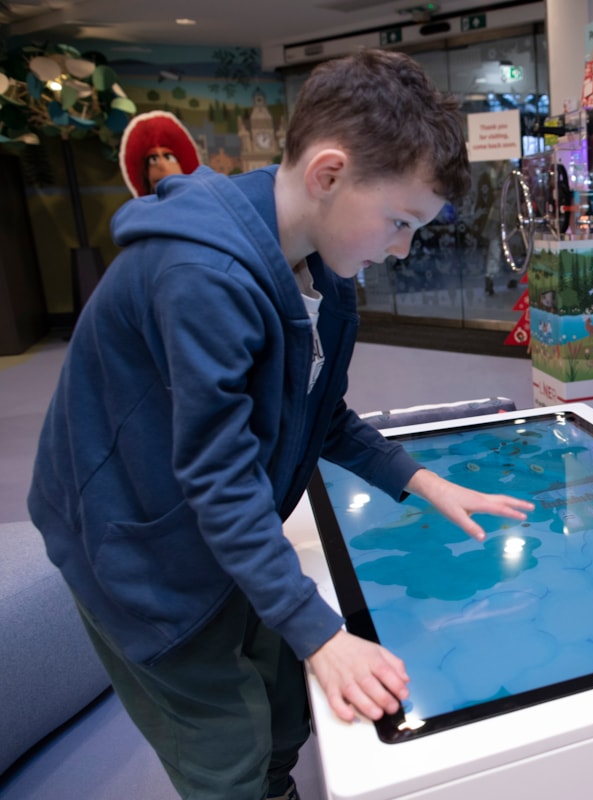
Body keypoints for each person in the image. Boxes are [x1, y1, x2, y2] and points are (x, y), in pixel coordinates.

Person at [28, 49, 535, 800]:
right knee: (225, 747)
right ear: (328, 175)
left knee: (281, 710)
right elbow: (217, 478)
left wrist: (421, 480)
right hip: (140, 553)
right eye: (398, 222)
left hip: (223, 529)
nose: (401, 249)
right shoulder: (201, 277)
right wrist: (324, 634)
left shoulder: (328, 271)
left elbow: (321, 414)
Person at [118, 110, 202, 196]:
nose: (162, 165)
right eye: (153, 159)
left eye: (168, 157)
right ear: (146, 174)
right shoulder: (136, 208)